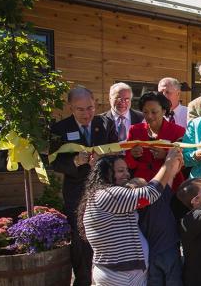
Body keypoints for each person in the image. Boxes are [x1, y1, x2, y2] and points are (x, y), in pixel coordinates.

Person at [76, 148, 183, 285]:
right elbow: (149, 194)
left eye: (127, 170)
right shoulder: (108, 195)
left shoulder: (104, 195)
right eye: (120, 171)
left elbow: (155, 198)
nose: (126, 174)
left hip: (121, 273)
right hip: (122, 275)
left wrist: (171, 173)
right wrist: (167, 164)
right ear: (106, 173)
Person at [50, 86, 118, 286]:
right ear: (70, 107)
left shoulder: (105, 124)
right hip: (76, 191)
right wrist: (76, 162)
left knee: (106, 232)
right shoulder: (59, 129)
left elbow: (116, 153)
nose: (87, 113)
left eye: (90, 108)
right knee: (81, 238)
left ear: (95, 104)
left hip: (104, 188)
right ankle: (82, 280)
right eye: (80, 109)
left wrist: (104, 156)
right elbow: (54, 162)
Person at [127, 176, 183, 286]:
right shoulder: (159, 196)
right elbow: (169, 177)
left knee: (154, 281)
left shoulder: (133, 210)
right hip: (169, 248)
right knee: (174, 280)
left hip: (150, 254)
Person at [125, 92, 186, 192]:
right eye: (145, 112)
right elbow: (128, 162)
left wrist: (166, 155)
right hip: (141, 185)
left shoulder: (178, 131)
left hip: (169, 184)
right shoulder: (134, 130)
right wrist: (133, 155)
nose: (149, 116)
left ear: (163, 111)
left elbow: (184, 162)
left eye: (154, 112)